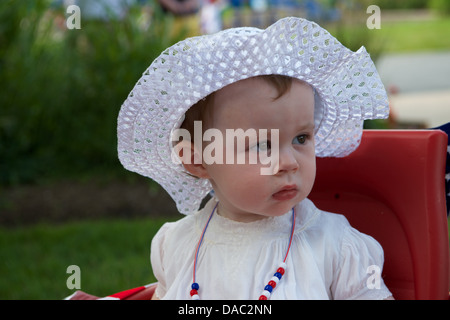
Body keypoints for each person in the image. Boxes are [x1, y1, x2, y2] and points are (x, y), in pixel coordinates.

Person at [117, 17, 394, 300]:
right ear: (197, 161)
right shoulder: (177, 245)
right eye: (263, 145)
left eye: (301, 138)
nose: (289, 162)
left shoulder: (334, 245)